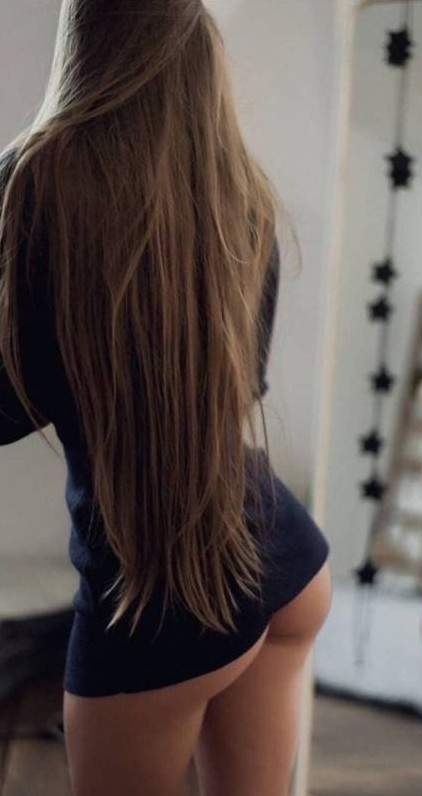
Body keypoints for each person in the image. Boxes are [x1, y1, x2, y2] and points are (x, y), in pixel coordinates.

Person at [0, 2, 332, 794]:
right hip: (282, 554)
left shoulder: (30, 178)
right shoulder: (242, 192)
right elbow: (241, 386)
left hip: (155, 587)